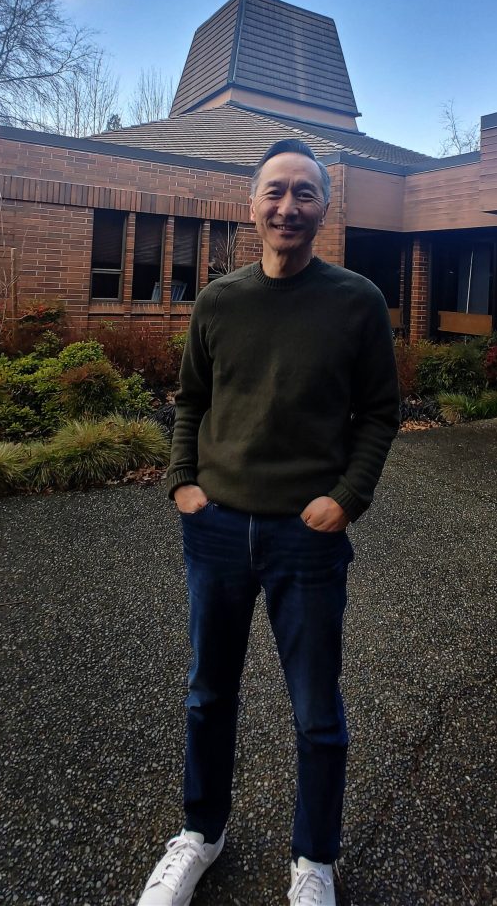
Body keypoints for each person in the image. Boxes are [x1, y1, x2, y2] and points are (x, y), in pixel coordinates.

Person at [136, 138, 400, 906]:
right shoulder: (219, 301)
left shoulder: (357, 301)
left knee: (317, 710)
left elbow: (379, 413)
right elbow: (191, 400)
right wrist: (182, 482)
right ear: (251, 204)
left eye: (304, 193)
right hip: (215, 530)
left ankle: (313, 860)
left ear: (324, 206)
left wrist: (347, 497)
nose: (288, 206)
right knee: (206, 695)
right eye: (274, 192)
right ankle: (199, 832)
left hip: (305, 538)